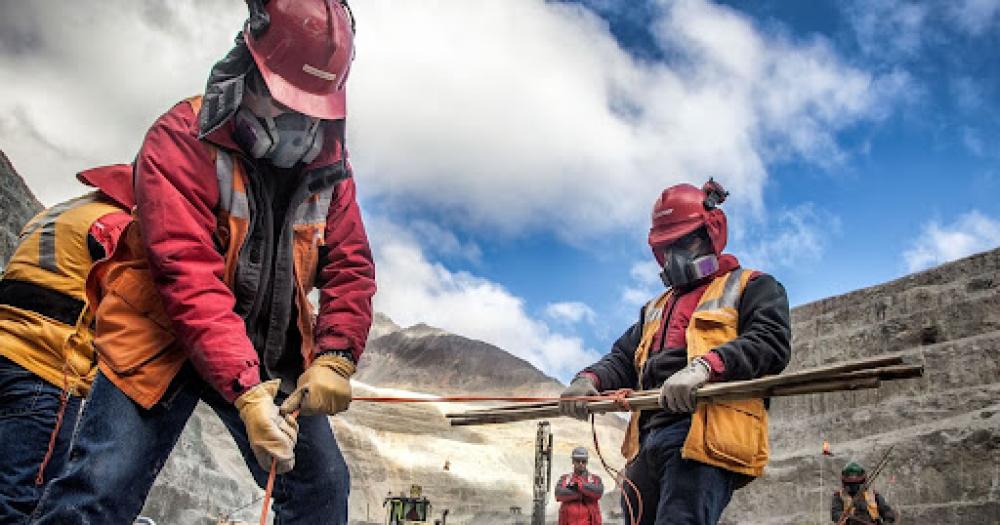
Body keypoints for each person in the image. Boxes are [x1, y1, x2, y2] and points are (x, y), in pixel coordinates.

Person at [30, 1, 375, 523]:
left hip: (265, 346)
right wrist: (245, 391)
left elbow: (351, 266)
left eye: (312, 109)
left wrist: (336, 356)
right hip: (158, 337)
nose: (298, 121)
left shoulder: (332, 165)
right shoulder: (179, 138)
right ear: (245, 72)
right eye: (286, 101)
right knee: (98, 488)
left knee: (321, 487)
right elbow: (187, 275)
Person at [559, 179, 791, 525]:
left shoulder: (752, 286)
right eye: (667, 247)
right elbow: (624, 358)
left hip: (701, 432)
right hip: (647, 438)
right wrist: (587, 379)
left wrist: (705, 367)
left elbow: (771, 341)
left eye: (685, 242)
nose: (675, 256)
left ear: (711, 234)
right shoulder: (655, 307)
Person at [0, 163, 133, 520]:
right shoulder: (116, 226)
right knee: (23, 500)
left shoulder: (58, 214)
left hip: (6, 350)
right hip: (44, 370)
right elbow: (136, 304)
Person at [831, 462, 897, 524]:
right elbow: (835, 513)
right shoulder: (838, 496)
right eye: (850, 484)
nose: (853, 487)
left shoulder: (873, 495)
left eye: (857, 484)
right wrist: (849, 519)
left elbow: (886, 510)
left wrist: (887, 521)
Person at [554, 447, 604, 525]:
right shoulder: (564, 478)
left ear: (586, 462)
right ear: (573, 461)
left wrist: (578, 487)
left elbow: (598, 493)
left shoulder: (595, 479)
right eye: (578, 461)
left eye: (583, 461)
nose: (581, 463)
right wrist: (586, 493)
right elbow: (559, 494)